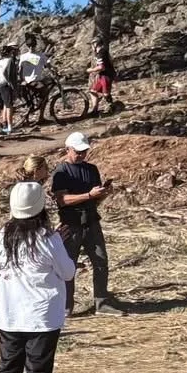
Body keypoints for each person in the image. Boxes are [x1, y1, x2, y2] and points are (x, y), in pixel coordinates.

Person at [0, 182, 76, 373]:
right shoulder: (48, 237)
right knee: (37, 371)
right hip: (42, 315)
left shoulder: (2, 234)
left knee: (8, 368)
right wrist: (60, 245)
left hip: (9, 313)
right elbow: (68, 272)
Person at [49, 131, 121, 315]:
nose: (81, 155)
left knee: (100, 261)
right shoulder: (61, 172)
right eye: (78, 151)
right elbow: (62, 200)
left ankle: (102, 302)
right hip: (71, 224)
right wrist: (89, 195)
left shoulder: (91, 169)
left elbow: (94, 200)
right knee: (68, 265)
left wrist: (102, 194)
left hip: (91, 221)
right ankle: (66, 306)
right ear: (68, 150)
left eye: (84, 151)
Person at [0, 47, 17, 135]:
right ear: (9, 53)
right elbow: (5, 72)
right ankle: (10, 127)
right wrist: (10, 83)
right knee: (9, 106)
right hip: (5, 85)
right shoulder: (9, 61)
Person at [90, 48, 114, 115]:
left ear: (95, 44)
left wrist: (91, 70)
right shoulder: (99, 53)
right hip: (101, 75)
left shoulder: (101, 53)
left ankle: (111, 106)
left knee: (106, 94)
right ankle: (95, 110)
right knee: (93, 91)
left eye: (92, 44)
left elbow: (101, 67)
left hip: (106, 75)